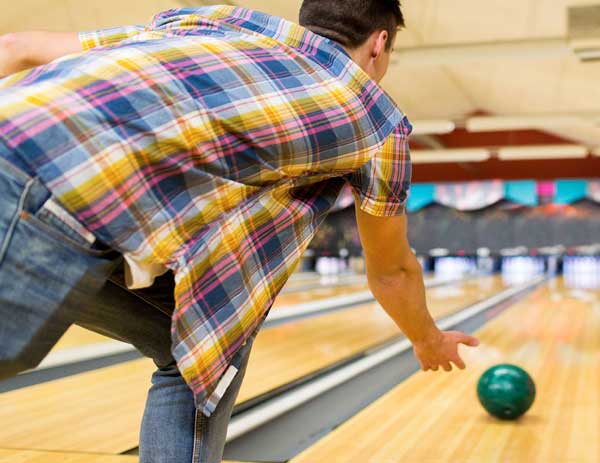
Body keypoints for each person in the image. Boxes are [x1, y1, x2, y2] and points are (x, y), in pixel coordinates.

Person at [0, 1, 479, 462]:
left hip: (33, 158)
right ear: (379, 43)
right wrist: (428, 339)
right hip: (43, 192)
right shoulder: (378, 122)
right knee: (210, 345)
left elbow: (16, 47)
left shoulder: (210, 20)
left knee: (202, 347)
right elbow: (392, 272)